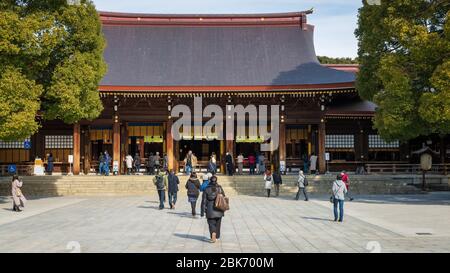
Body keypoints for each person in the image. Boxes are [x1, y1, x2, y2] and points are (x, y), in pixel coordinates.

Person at [201, 176, 226, 243]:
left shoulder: (206, 189)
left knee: (211, 223)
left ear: (210, 180)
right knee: (218, 223)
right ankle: (216, 236)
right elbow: (224, 196)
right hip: (219, 208)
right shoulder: (219, 188)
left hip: (210, 209)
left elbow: (203, 201)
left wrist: (202, 212)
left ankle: (213, 233)